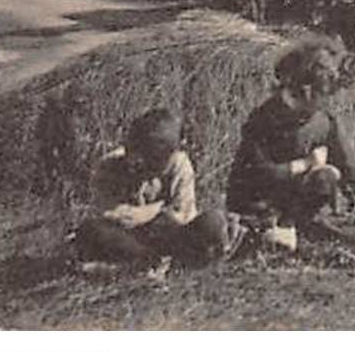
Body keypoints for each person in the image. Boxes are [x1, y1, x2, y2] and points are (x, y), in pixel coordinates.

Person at [226, 36, 355, 251]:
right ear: (305, 90)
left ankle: (304, 225)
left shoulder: (323, 121)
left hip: (295, 205)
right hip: (259, 204)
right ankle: (271, 231)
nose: (324, 101)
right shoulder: (264, 120)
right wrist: (305, 163)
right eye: (321, 95)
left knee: (326, 175)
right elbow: (256, 173)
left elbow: (349, 166)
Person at [73, 108, 237, 267]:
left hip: (172, 236)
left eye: (152, 163)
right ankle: (151, 261)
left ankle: (151, 263)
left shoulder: (178, 163)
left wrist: (154, 213)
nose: (137, 165)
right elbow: (112, 213)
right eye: (135, 155)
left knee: (213, 221)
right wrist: (159, 209)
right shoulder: (109, 165)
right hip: (130, 239)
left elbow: (183, 215)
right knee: (90, 230)